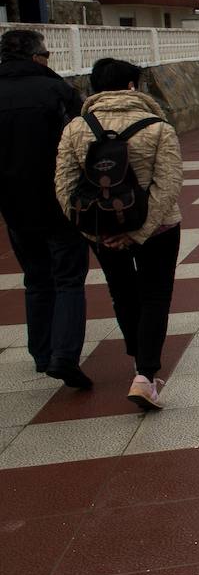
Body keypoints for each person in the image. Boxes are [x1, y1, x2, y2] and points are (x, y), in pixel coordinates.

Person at [55, 58, 183, 410]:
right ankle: (145, 375)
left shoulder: (77, 128)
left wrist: (94, 232)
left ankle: (137, 360)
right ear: (131, 86)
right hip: (158, 228)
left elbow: (64, 188)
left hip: (102, 230)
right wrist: (139, 231)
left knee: (123, 293)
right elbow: (168, 184)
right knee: (155, 295)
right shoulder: (158, 127)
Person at [0, 28, 92, 389]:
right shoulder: (57, 91)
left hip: (14, 207)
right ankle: (64, 356)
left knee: (36, 278)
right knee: (68, 278)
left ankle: (41, 353)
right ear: (37, 57)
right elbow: (82, 142)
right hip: (59, 202)